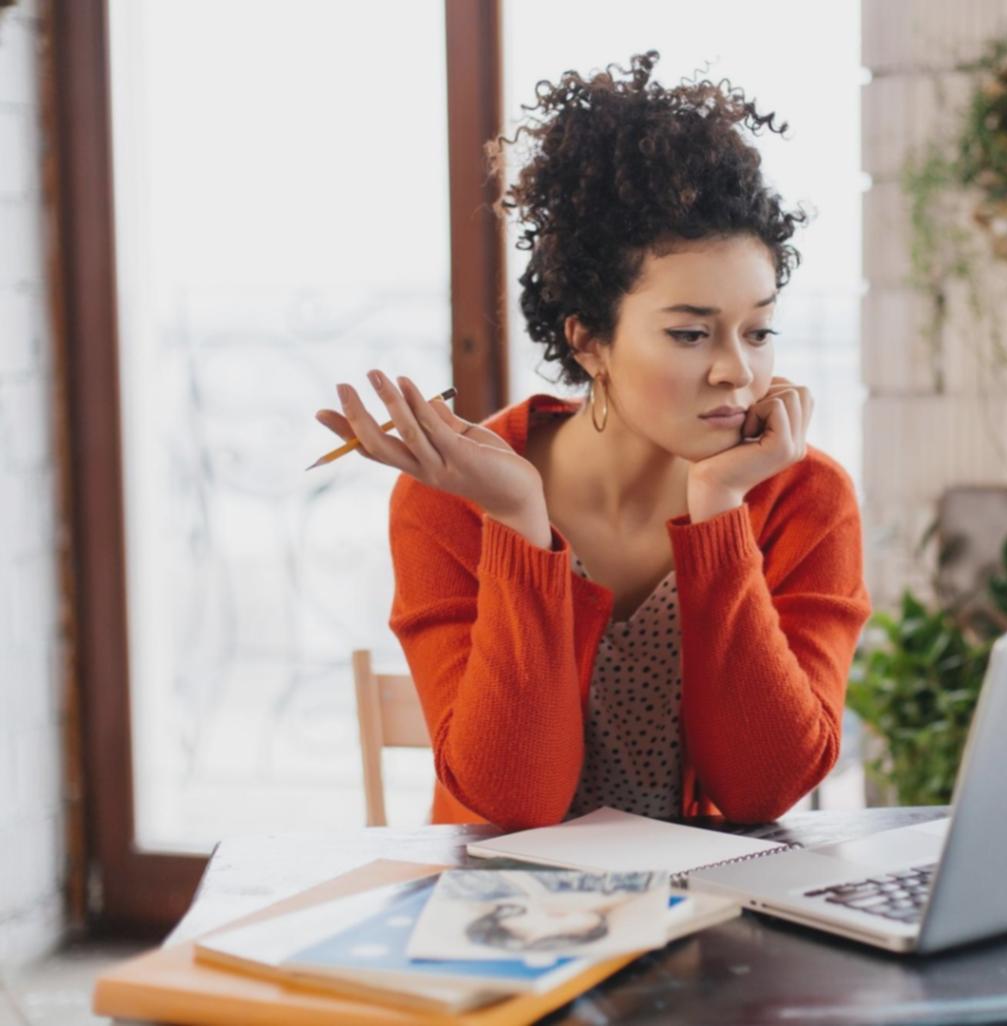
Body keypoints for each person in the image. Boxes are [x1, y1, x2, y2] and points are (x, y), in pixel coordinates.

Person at [314, 51, 871, 830]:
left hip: (714, 925)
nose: (735, 372)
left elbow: (762, 789)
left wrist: (719, 511)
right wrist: (515, 521)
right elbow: (514, 802)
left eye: (758, 329)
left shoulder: (801, 495)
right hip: (502, 929)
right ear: (588, 342)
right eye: (688, 333)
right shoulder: (452, 498)